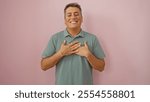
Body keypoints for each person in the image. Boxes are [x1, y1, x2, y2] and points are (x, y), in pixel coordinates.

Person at [41, 2, 105, 85]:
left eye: (76, 14)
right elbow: (43, 66)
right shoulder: (55, 38)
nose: (73, 17)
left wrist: (88, 55)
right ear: (65, 20)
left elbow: (101, 67)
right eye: (69, 15)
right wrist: (61, 53)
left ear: (82, 18)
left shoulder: (92, 38)